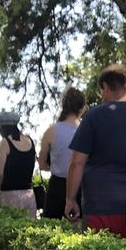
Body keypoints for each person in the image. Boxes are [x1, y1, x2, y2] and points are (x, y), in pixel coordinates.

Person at [65, 64, 126, 235]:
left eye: (102, 91)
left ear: (107, 88)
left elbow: (77, 163)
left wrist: (70, 199)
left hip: (99, 208)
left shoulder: (93, 117)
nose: (102, 96)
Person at [39, 87, 86, 219]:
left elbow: (42, 164)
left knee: (50, 230)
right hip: (80, 188)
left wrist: (54, 167)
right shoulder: (86, 131)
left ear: (64, 105)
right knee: (80, 234)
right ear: (82, 107)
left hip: (56, 187)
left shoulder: (51, 131)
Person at [0, 111, 38, 218]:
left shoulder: (4, 143)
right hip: (29, 195)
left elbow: (0, 174)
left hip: (9, 195)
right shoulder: (30, 140)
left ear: (1, 128)